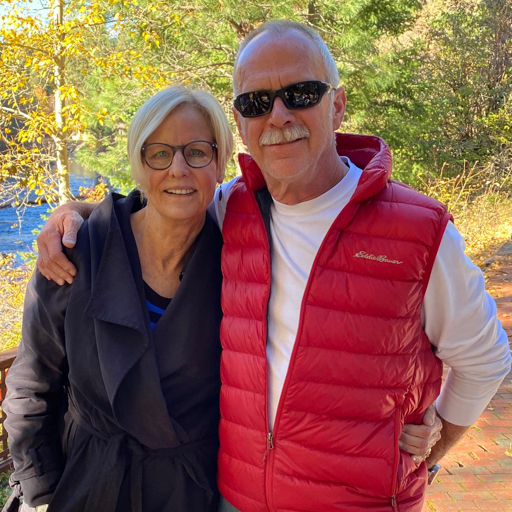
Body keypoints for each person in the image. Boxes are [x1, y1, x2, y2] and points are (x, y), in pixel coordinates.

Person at [35, 20, 510, 512]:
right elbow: (161, 201)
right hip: (234, 499)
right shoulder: (231, 207)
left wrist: (431, 450)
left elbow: (485, 359)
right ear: (240, 124)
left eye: (300, 93)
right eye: (256, 102)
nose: (278, 115)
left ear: (338, 104)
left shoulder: (417, 230)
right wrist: (77, 214)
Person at [3, 85, 234, 512]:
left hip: (188, 494)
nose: (178, 168)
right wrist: (39, 492)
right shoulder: (76, 252)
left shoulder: (239, 264)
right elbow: (32, 383)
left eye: (198, 151)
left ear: (220, 163)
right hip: (85, 486)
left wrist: (400, 411)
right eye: (159, 153)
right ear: (138, 164)